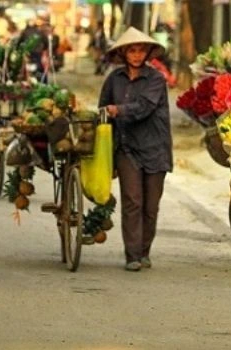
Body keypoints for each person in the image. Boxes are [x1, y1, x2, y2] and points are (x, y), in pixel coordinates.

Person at [98, 27, 172, 272]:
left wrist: (119, 110)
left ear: (148, 52)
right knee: (132, 202)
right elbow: (103, 109)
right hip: (126, 148)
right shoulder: (114, 79)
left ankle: (144, 251)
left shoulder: (156, 79)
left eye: (141, 50)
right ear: (123, 53)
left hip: (155, 148)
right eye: (132, 50)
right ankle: (132, 255)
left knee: (151, 206)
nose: (137, 55)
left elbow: (144, 107)